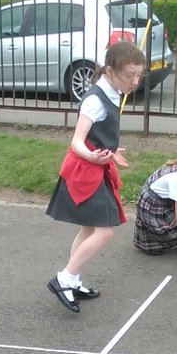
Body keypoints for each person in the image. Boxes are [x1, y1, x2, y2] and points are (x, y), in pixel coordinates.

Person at [45, 40, 147, 312]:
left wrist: (110, 152)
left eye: (139, 75)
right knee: (104, 231)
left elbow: (94, 137)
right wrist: (92, 156)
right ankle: (64, 278)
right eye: (130, 74)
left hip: (96, 166)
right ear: (111, 70)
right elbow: (77, 141)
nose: (135, 81)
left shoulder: (112, 91)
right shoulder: (95, 99)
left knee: (90, 228)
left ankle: (72, 279)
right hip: (84, 171)